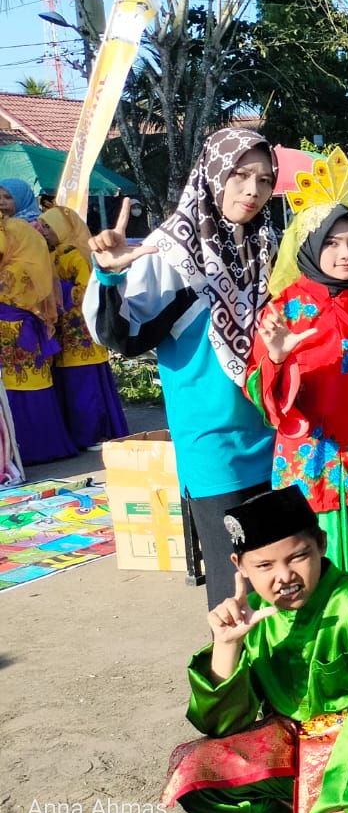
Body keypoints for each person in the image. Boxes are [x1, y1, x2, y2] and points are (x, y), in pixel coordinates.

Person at [158, 486, 348, 813]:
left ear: (321, 544)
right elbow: (222, 726)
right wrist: (227, 646)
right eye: (264, 565)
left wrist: (335, 811)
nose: (284, 576)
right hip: (292, 736)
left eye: (298, 556)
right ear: (239, 567)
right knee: (195, 773)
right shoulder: (255, 615)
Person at [85, 130, 280, 609]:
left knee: (280, 571)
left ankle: (279, 681)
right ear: (213, 174)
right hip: (213, 440)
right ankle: (231, 680)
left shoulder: (264, 245)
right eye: (239, 175)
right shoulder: (172, 249)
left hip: (274, 431)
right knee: (235, 582)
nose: (252, 191)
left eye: (264, 179)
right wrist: (110, 273)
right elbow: (122, 335)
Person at [245, 150, 348, 615]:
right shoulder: (283, 309)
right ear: (310, 246)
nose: (346, 253)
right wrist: (277, 358)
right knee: (306, 564)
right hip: (307, 461)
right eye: (332, 242)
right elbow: (264, 401)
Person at [39, 205, 130, 450]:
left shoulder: (75, 254)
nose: (43, 231)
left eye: (48, 226)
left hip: (81, 335)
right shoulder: (53, 254)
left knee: (85, 386)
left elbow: (86, 291)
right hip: (65, 335)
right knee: (71, 385)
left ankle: (95, 433)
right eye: (43, 226)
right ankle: (81, 434)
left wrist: (58, 291)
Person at [0, 204, 75, 463]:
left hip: (14, 331)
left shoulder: (13, 271)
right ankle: (50, 445)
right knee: (36, 386)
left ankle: (31, 450)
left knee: (19, 389)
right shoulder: (28, 263)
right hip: (28, 333)